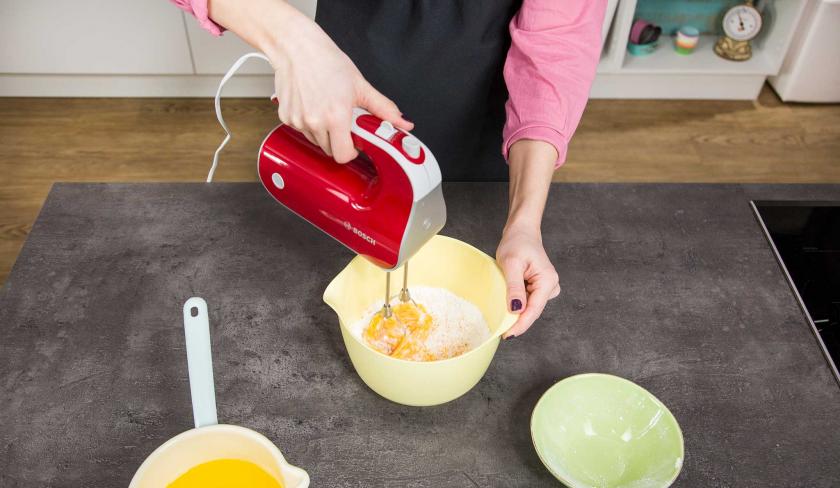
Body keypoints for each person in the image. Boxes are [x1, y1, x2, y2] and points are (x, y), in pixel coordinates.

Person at [173, 0, 606, 338]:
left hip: (486, 133)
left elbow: (559, 40)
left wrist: (525, 223)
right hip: (343, 93)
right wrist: (295, 44)